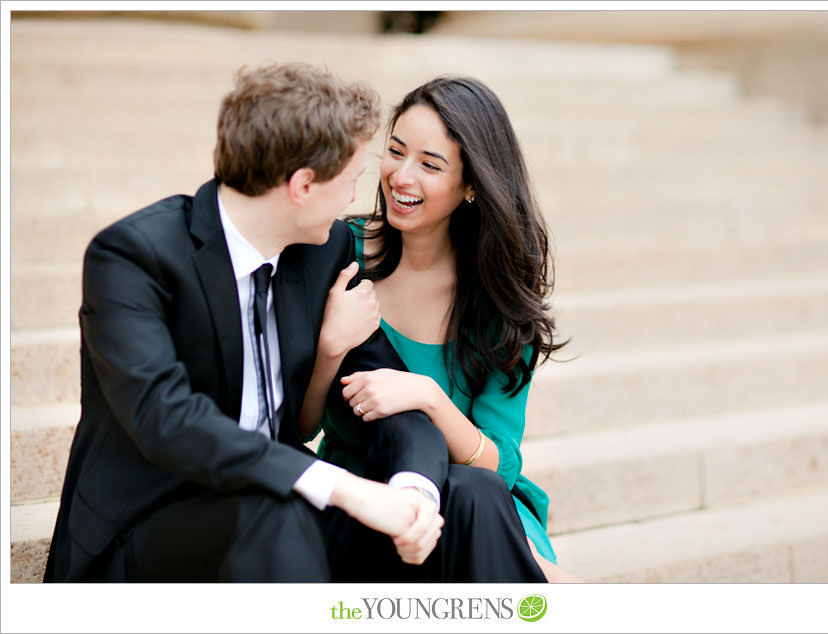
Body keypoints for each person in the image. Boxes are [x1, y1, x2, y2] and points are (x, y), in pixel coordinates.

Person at [43, 63, 546, 583]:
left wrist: (412, 491)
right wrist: (344, 487)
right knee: (279, 513)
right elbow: (168, 419)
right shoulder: (133, 257)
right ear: (304, 185)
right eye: (351, 179)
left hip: (280, 507)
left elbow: (390, 389)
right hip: (150, 524)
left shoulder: (324, 252)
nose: (360, 198)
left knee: (470, 495)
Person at [304, 76, 578, 582]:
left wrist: (428, 397)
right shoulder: (337, 254)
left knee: (478, 495)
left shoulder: (496, 298)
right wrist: (328, 349)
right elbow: (298, 430)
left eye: (430, 165)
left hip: (477, 501)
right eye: (395, 152)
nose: (401, 177)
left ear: (471, 185)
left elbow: (499, 465)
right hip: (365, 488)